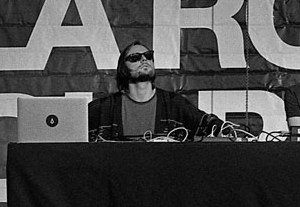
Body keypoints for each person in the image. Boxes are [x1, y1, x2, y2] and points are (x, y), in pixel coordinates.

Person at [88, 40, 233, 141]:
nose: (144, 60)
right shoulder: (102, 108)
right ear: (123, 69)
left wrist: (229, 132)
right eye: (135, 58)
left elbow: (212, 125)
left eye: (148, 56)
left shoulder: (175, 104)